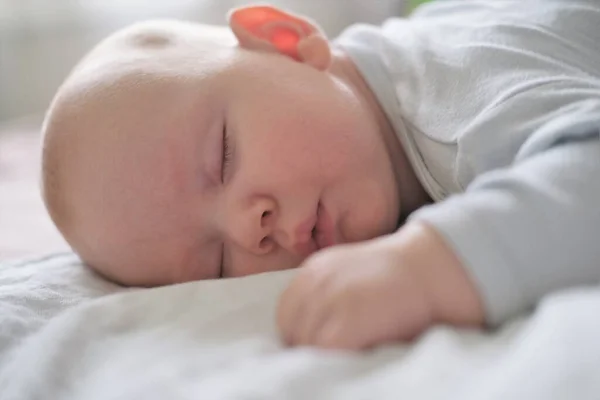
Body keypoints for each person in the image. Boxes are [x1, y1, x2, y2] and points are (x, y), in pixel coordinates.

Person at [41, 0, 600, 350]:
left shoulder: (466, 99)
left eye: (225, 157)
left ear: (285, 40)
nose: (247, 228)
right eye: (215, 263)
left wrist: (435, 265)